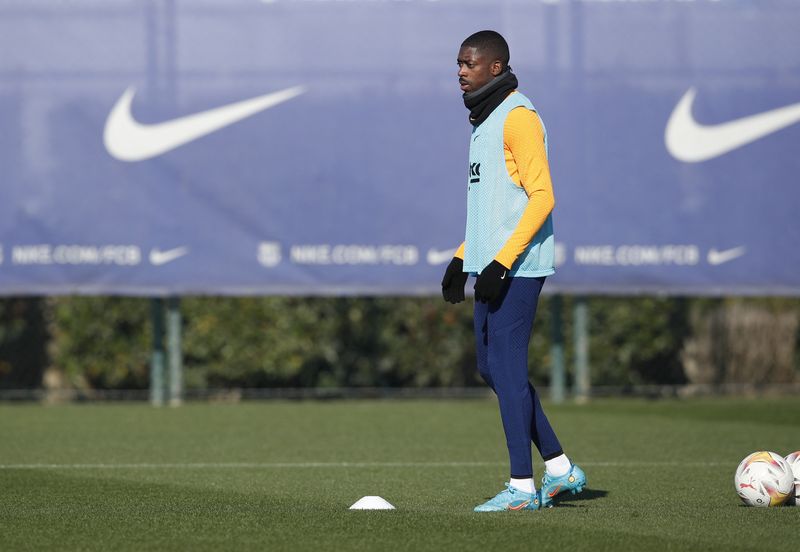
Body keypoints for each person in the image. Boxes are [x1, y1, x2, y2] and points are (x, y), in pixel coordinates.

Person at [441, 30, 586, 512]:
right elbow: (491, 208)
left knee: (507, 368)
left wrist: (503, 261)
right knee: (491, 368)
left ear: (495, 68)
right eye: (458, 63)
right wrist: (463, 256)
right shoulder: (483, 121)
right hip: (491, 266)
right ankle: (561, 469)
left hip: (518, 268)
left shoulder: (518, 117)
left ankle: (522, 488)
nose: (460, 71)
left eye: (469, 63)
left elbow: (542, 197)